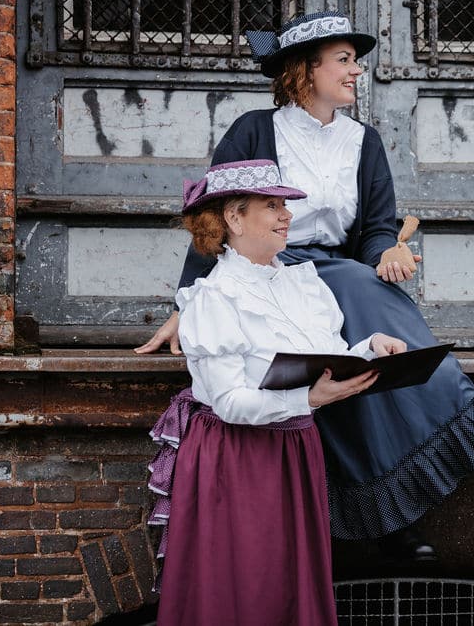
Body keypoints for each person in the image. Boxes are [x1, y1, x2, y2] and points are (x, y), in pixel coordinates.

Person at [138, 11, 474, 559]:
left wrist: (389, 252)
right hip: (264, 270)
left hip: (335, 271)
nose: (357, 72)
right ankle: (396, 495)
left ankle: (435, 442)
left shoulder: (363, 141)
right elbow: (217, 218)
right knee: (353, 304)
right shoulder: (255, 130)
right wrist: (191, 300)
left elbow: (375, 226)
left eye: (357, 61)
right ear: (306, 69)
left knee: (362, 322)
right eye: (344, 60)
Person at [149, 159, 408, 625]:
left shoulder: (299, 283)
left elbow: (327, 355)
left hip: (295, 447)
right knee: (244, 585)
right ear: (234, 218)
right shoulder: (215, 297)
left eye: (285, 205)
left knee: (290, 584)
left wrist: (370, 350)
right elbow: (229, 403)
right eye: (272, 206)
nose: (287, 215)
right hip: (237, 456)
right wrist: (308, 401)